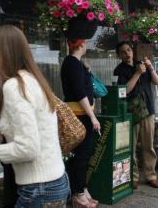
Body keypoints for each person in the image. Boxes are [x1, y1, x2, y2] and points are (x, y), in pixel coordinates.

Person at [0, 25, 69, 207]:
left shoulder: (14, 86)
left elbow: (28, 148)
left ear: (2, 51)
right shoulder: (30, 79)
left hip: (39, 189)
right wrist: (2, 130)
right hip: (53, 182)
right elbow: (37, 125)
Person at [113, 41, 158, 189]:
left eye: (128, 50)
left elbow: (156, 81)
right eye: (123, 52)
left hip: (148, 111)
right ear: (119, 55)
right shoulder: (119, 71)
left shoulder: (142, 64)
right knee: (131, 148)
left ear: (132, 51)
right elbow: (124, 91)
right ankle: (132, 178)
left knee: (149, 146)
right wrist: (138, 73)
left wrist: (150, 68)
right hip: (131, 113)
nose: (127, 54)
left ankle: (151, 176)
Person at [61, 39, 100, 208]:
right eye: (85, 43)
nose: (87, 46)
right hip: (80, 115)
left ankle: (82, 189)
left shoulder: (76, 64)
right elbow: (79, 92)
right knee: (80, 155)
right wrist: (92, 116)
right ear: (80, 45)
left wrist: (87, 71)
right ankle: (78, 194)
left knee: (83, 154)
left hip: (82, 113)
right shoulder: (72, 63)